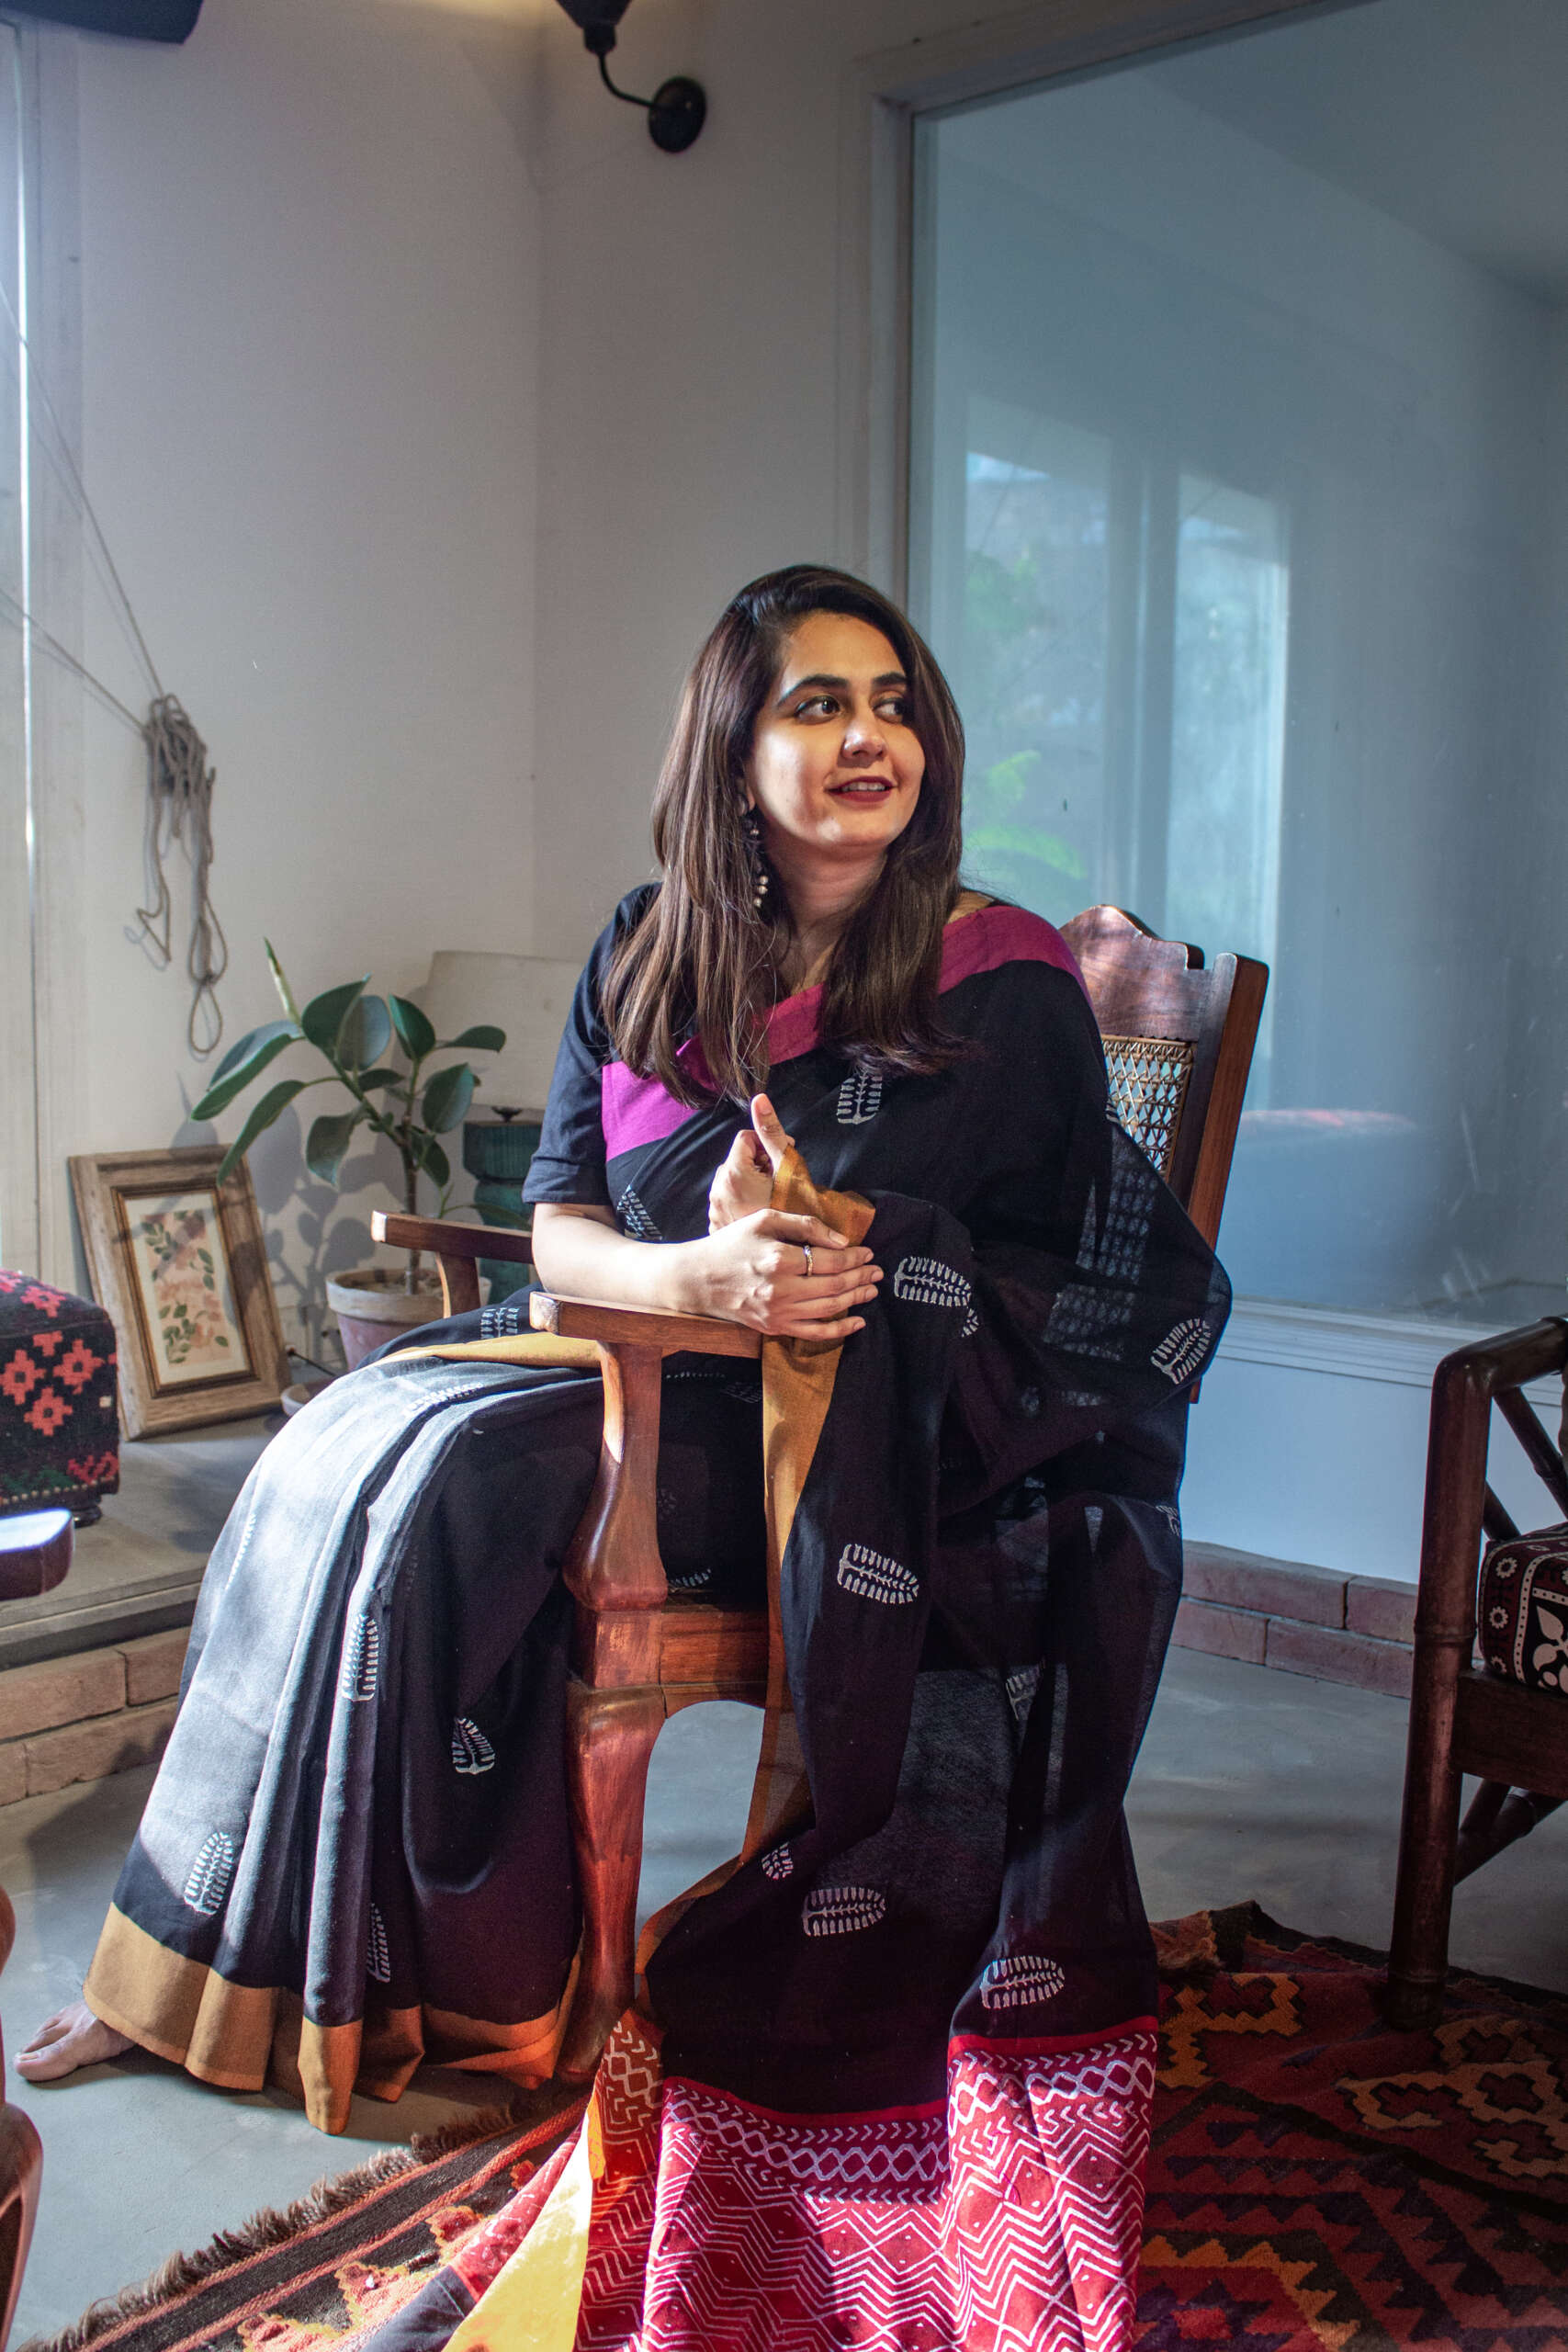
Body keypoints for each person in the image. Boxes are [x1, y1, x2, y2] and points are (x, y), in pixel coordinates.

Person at [21, 565, 1227, 2346]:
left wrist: (853, 1248)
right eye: (817, 702)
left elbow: (1072, 1273)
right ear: (730, 748)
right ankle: (196, 1965)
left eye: (892, 702)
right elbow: (563, 1218)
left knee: (451, 1480)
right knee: (338, 1446)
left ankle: (437, 1992)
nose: (868, 736)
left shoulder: (1002, 974)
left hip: (854, 1444)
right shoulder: (649, 945)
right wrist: (699, 1274)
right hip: (649, 1352)